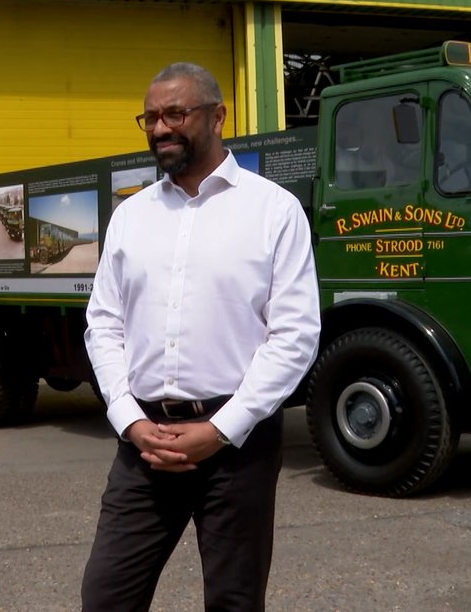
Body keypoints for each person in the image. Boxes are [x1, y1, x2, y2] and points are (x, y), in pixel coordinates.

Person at [82, 63, 321, 611]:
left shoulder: (273, 211)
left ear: (218, 116)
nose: (160, 128)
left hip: (238, 448)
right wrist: (130, 420)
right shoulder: (131, 216)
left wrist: (221, 429)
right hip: (143, 443)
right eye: (150, 117)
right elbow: (105, 323)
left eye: (175, 114)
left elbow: (294, 335)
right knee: (105, 598)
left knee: (235, 603)